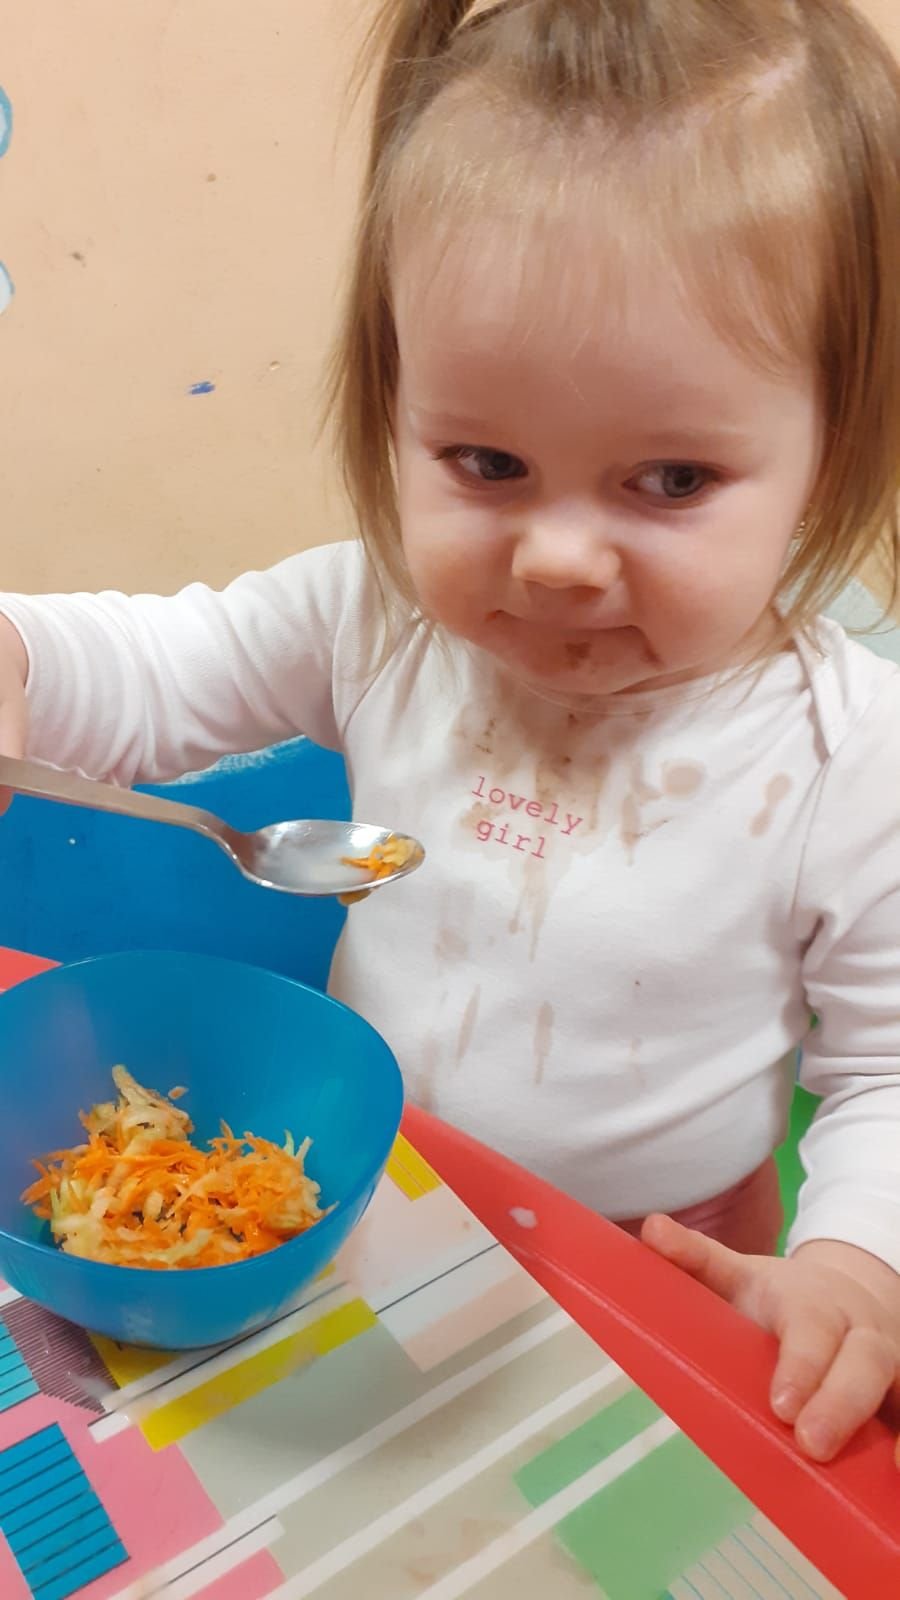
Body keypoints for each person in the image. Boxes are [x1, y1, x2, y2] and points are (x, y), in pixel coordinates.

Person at [1, 0, 900, 1465]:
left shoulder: (851, 756)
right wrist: (20, 655)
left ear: (828, 447)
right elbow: (157, 668)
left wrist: (857, 1267)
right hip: (382, 1210)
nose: (557, 558)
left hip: (672, 1271)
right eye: (486, 461)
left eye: (672, 480)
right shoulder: (379, 620)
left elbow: (887, 1071)